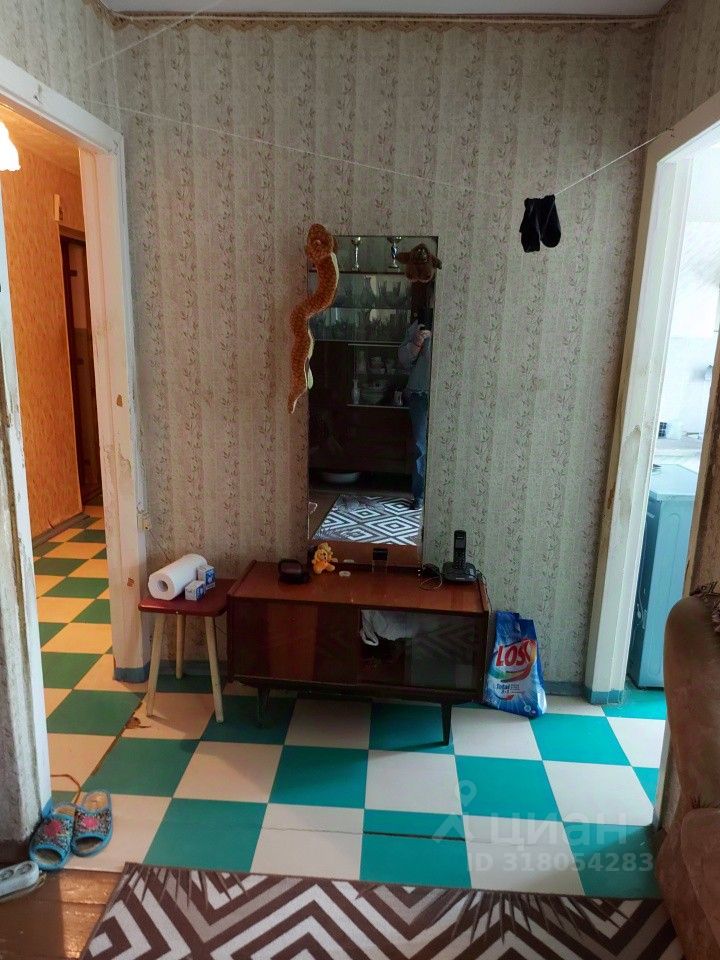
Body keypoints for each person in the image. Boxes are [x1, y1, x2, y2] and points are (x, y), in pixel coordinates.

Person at [398, 320, 431, 510]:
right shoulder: (418, 325)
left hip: (449, 394)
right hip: (419, 392)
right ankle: (419, 495)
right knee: (420, 446)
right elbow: (403, 359)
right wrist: (417, 342)